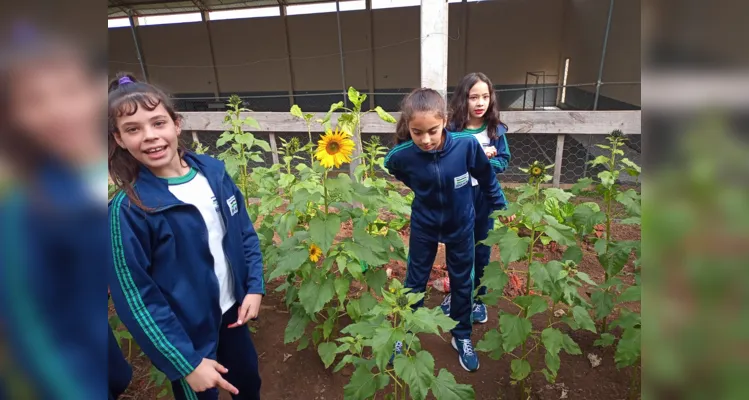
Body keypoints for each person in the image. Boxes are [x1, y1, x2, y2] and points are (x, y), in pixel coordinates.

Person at [107, 73, 264, 400]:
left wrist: (254, 286)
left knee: (247, 382)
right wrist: (186, 363)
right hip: (187, 337)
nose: (149, 136)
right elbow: (136, 298)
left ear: (176, 124)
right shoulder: (130, 210)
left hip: (232, 314)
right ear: (119, 140)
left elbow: (243, 233)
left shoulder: (214, 173)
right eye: (133, 129)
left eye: (158, 122)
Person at [0, 24, 130, 399]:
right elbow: (30, 327)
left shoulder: (74, 175)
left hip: (89, 329)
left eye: (71, 91)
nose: (60, 111)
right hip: (57, 369)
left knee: (117, 378)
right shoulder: (18, 207)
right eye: (36, 99)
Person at [384, 88, 506, 372]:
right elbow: (394, 167)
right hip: (424, 225)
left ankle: (461, 336)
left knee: (463, 281)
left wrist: (501, 205)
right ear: (408, 128)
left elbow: (486, 177)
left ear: (445, 121)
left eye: (433, 131)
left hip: (461, 224)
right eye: (417, 132)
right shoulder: (402, 155)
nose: (425, 139)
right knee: (415, 280)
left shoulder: (465, 145)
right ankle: (403, 335)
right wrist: (425, 187)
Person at [441, 72, 512, 325]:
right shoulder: (451, 130)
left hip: (483, 196)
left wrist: (484, 164)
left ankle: (478, 297)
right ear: (463, 99)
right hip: (458, 197)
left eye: (485, 96)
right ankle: (456, 295)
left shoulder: (495, 130)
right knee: (457, 246)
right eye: (474, 97)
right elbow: (444, 160)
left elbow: (504, 159)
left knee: (482, 248)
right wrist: (471, 159)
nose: (480, 102)